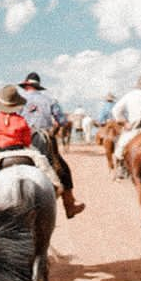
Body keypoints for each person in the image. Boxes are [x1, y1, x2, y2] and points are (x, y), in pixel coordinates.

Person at [0, 83, 82, 217]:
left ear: (26, 86)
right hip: (41, 141)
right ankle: (65, 200)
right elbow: (60, 122)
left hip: (2, 153)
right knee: (57, 168)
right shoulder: (47, 102)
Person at [19, 72, 84, 218]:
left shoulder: (19, 100)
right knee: (64, 170)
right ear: (37, 86)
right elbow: (62, 121)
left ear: (27, 86)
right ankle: (70, 205)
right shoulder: (50, 100)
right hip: (44, 139)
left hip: (24, 139)